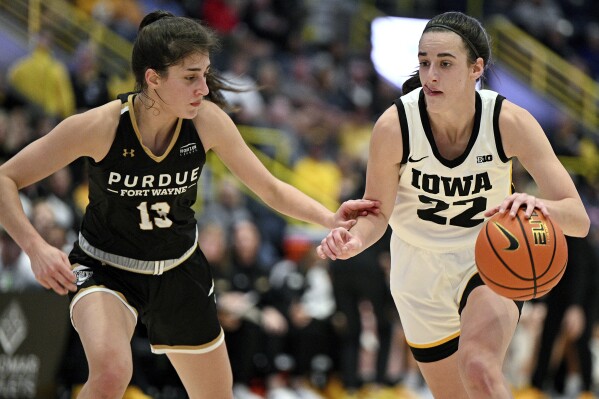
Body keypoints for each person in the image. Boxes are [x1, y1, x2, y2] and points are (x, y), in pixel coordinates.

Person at [0, 10, 379, 399]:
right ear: (153, 78)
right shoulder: (100, 127)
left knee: (217, 394)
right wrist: (36, 248)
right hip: (104, 267)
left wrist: (329, 216)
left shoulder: (206, 122)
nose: (203, 87)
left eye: (204, 74)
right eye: (190, 77)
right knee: (113, 372)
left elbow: (270, 188)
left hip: (178, 268)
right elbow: (5, 179)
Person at [317, 11, 590, 399]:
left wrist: (539, 206)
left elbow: (578, 220)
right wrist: (353, 240)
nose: (431, 75)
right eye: (425, 62)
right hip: (417, 272)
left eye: (445, 64)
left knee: (479, 367)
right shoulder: (395, 126)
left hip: (489, 259)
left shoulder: (508, 121)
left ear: (476, 68)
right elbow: (376, 214)